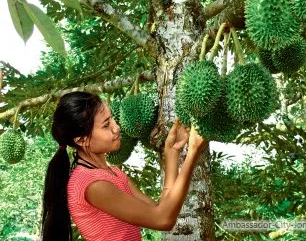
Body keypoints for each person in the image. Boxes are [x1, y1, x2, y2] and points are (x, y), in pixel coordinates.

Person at [41, 91, 207, 241]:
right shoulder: (91, 184)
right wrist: (192, 154)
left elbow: (160, 210)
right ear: (82, 140)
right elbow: (163, 220)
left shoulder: (112, 173)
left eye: (112, 118)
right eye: (106, 125)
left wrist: (171, 153)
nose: (116, 127)